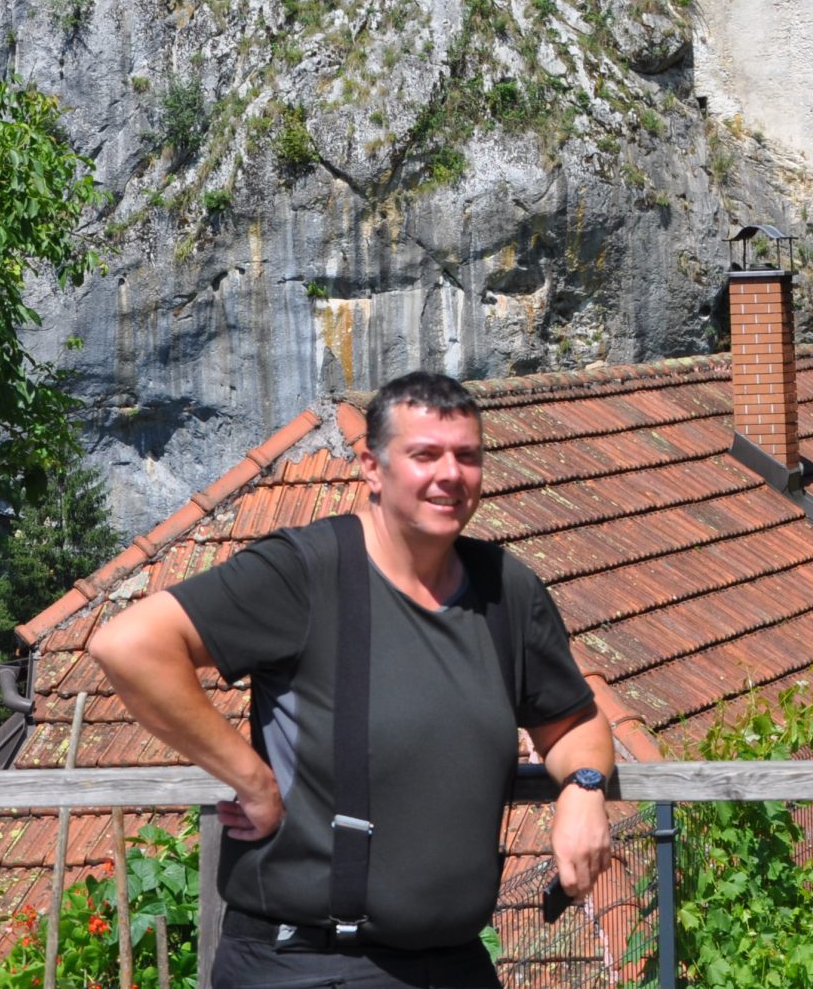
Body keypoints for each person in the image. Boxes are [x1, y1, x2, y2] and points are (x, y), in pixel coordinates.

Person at [89, 371, 613, 989]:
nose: (451, 475)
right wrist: (252, 780)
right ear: (371, 467)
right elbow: (128, 645)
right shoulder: (306, 573)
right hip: (307, 964)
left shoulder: (507, 590)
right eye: (425, 455)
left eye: (467, 456)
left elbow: (573, 723)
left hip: (455, 963)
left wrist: (583, 788)